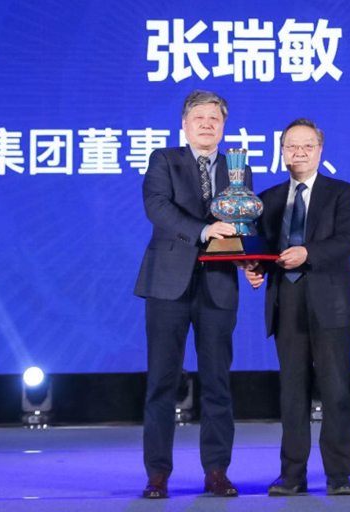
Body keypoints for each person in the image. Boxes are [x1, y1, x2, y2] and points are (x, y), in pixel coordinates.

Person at [134, 90, 250, 499]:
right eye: (199, 117)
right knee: (162, 382)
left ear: (223, 126)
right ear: (184, 124)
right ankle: (157, 475)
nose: (206, 124)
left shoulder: (238, 168)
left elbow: (243, 224)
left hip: (218, 284)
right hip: (168, 283)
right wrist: (203, 230)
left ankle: (217, 471)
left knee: (217, 382)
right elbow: (157, 208)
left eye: (214, 118)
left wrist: (250, 261)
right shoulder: (164, 160)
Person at [243, 118, 350, 496]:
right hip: (286, 299)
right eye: (292, 146)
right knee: (292, 393)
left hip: (331, 302)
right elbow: (264, 247)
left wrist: (308, 252)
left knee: (336, 390)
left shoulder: (341, 192)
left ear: (320, 150)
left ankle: (339, 475)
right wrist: (254, 268)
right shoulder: (269, 198)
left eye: (307, 145)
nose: (300, 152)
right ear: (281, 152)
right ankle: (292, 474)